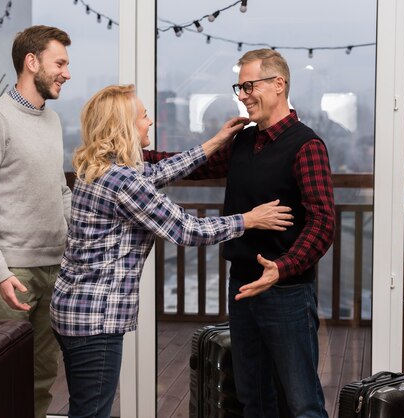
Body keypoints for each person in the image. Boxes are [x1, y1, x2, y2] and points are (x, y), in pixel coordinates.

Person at [49, 84, 294, 418]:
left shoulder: (101, 169)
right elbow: (185, 229)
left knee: (85, 407)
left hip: (74, 308)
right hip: (95, 318)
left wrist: (215, 143)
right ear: (125, 125)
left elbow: (160, 171)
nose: (149, 122)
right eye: (144, 116)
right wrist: (248, 220)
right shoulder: (123, 182)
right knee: (91, 412)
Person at [145, 48, 335, 418]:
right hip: (242, 287)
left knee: (303, 404)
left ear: (278, 84)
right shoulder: (244, 141)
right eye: (240, 87)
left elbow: (323, 223)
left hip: (286, 292)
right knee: (253, 398)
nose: (242, 95)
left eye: (249, 86)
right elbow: (189, 165)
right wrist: (130, 157)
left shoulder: (306, 145)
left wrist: (281, 268)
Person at [0, 25, 72, 418]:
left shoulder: (52, 121)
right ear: (32, 62)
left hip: (54, 268)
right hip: (13, 273)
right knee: (4, 379)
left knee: (42, 377)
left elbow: (60, 191)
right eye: (60, 62)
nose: (66, 72)